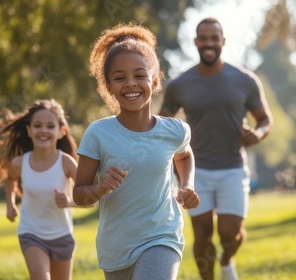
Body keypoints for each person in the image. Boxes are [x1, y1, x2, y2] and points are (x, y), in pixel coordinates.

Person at [72, 22, 200, 280]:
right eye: (120, 78)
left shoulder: (174, 130)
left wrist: (186, 184)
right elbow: (79, 195)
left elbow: (184, 155)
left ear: (154, 80)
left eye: (139, 75)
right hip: (116, 247)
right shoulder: (98, 134)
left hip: (162, 237)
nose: (131, 84)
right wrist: (99, 189)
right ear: (109, 86)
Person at [159, 18, 274, 280]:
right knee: (201, 233)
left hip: (233, 167)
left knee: (229, 233)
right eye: (204, 38)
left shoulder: (245, 80)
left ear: (222, 42)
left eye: (214, 38)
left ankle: (226, 259)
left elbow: (265, 119)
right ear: (196, 42)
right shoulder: (179, 84)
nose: (209, 43)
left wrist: (258, 133)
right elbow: (162, 124)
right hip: (194, 170)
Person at [0, 99, 79, 280]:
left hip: (62, 234)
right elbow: (10, 180)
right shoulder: (20, 163)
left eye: (50, 126)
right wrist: (10, 204)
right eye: (37, 125)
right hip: (31, 233)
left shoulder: (67, 162)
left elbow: (89, 197)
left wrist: (69, 201)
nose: (43, 130)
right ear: (29, 130)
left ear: (61, 132)